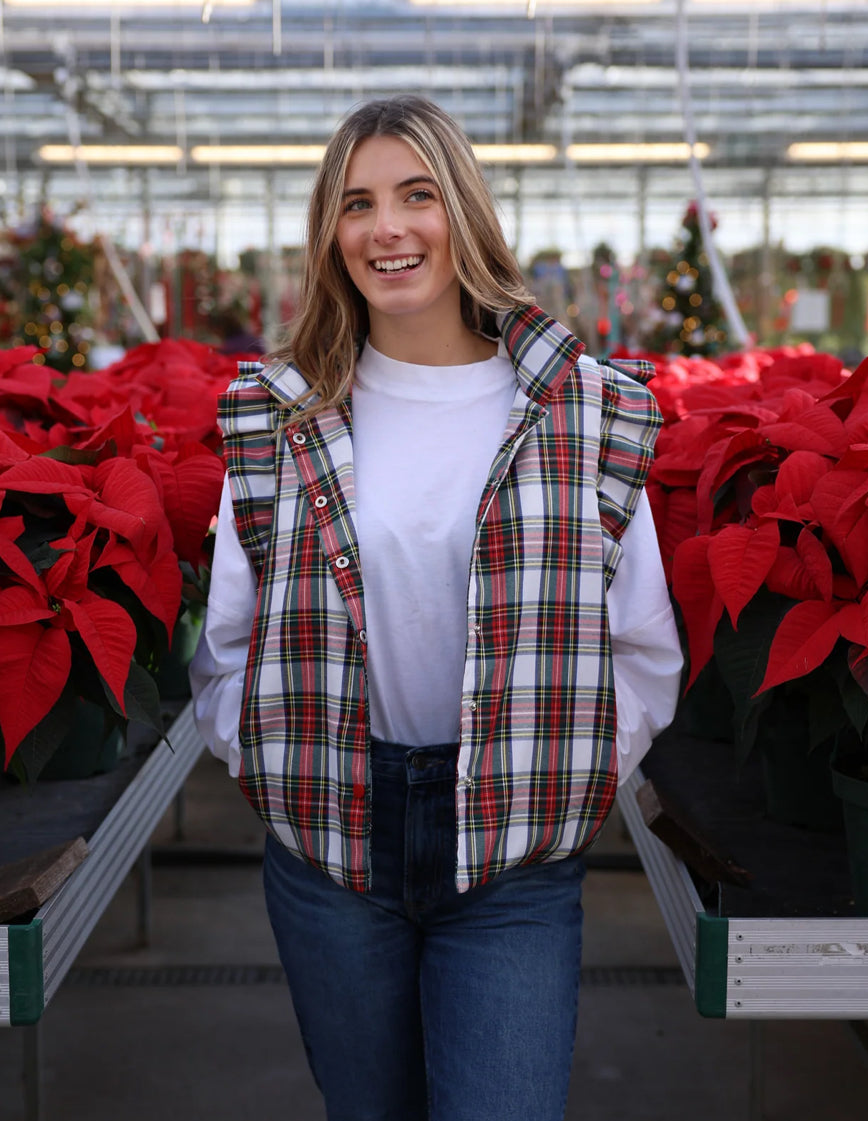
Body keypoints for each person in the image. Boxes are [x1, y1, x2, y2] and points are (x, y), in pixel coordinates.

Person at [189, 94, 682, 1121]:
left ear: (464, 210)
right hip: (333, 841)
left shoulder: (581, 409)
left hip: (514, 859)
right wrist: (269, 763)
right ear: (331, 233)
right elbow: (228, 639)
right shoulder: (279, 417)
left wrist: (571, 774)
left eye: (418, 195)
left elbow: (640, 641)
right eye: (357, 203)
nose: (389, 229)